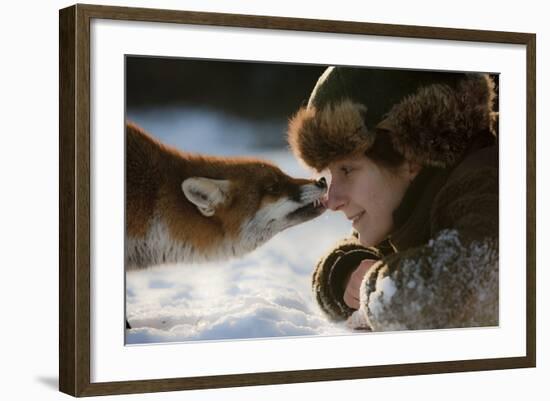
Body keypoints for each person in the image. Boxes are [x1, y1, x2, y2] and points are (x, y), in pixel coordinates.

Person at [287, 66, 499, 331]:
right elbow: (370, 253)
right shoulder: (410, 203)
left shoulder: (489, 182)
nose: (332, 200)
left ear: (411, 155)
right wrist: (345, 273)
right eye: (331, 174)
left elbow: (474, 276)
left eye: (347, 170)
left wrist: (375, 288)